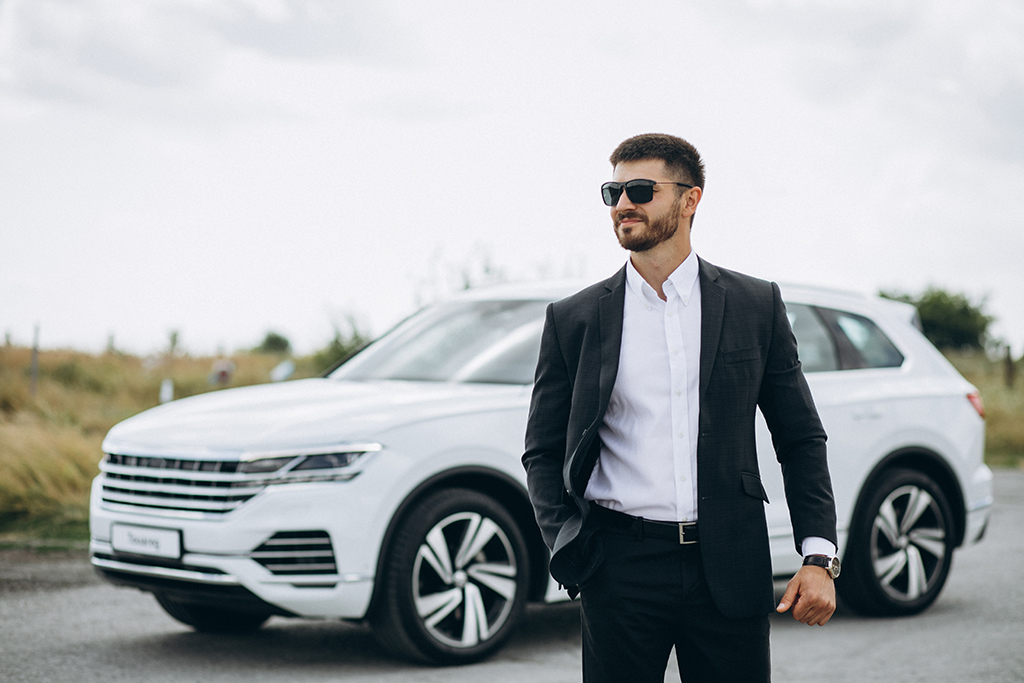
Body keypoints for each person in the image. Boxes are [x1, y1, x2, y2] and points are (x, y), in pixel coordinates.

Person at [522, 133, 839, 683]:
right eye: (613, 191)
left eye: (640, 189)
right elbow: (542, 451)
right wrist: (567, 545)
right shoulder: (573, 319)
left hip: (730, 562)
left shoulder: (754, 305)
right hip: (619, 568)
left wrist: (818, 556)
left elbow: (800, 437)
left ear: (689, 200)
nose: (623, 204)